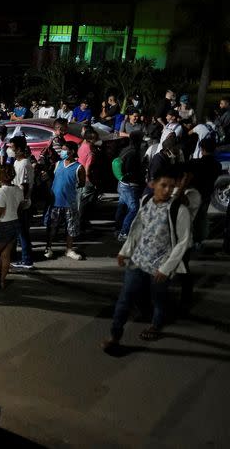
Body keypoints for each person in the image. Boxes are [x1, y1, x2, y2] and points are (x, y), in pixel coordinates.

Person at [102, 166, 191, 351]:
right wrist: (125, 251)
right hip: (138, 261)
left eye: (171, 186)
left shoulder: (178, 210)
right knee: (125, 299)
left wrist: (166, 269)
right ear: (153, 184)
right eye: (163, 185)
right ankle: (114, 336)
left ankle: (156, 325)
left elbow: (183, 242)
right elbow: (137, 228)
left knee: (158, 299)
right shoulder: (146, 200)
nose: (167, 190)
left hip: (160, 266)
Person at [44, 141, 84, 260]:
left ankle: (69, 249)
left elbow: (81, 183)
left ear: (71, 152)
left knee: (70, 227)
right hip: (55, 202)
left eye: (65, 149)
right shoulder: (57, 164)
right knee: (52, 226)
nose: (62, 152)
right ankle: (48, 247)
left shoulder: (79, 168)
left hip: (70, 203)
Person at [9, 136, 35, 269]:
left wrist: (20, 204)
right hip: (16, 201)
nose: (10, 150)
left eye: (12, 147)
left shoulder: (25, 164)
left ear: (19, 149)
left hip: (22, 204)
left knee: (22, 232)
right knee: (19, 232)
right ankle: (19, 256)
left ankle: (27, 260)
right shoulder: (17, 162)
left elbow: (24, 186)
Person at [114, 131, 145, 242]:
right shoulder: (134, 152)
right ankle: (124, 232)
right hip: (130, 185)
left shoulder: (126, 149)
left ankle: (118, 229)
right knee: (134, 208)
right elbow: (130, 170)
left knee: (122, 206)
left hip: (122, 184)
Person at [77, 128, 99, 231]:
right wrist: (90, 180)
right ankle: (81, 224)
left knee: (80, 202)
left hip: (79, 176)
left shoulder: (82, 145)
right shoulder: (90, 150)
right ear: (91, 139)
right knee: (85, 203)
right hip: (87, 179)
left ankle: (82, 223)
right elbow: (88, 167)